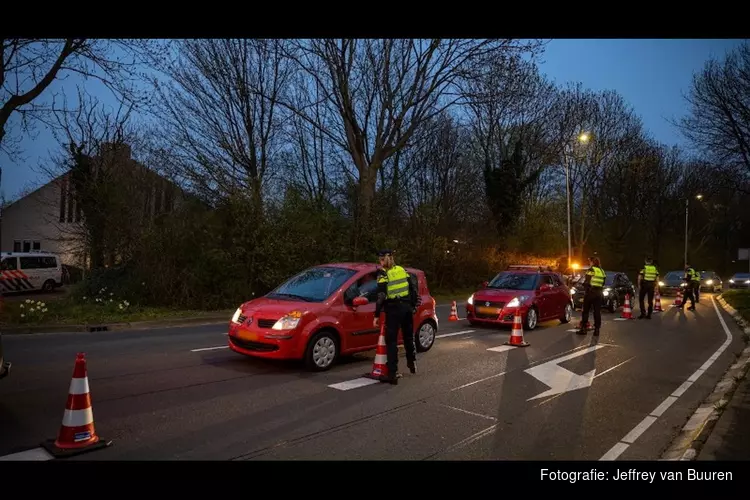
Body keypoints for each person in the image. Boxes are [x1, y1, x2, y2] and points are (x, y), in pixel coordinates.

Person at [373, 249, 419, 384]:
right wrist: (413, 306)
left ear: (382, 260)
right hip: (406, 308)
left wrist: (376, 315)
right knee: (408, 337)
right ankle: (412, 363)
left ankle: (392, 374)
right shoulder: (402, 270)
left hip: (393, 309)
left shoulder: (383, 274)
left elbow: (381, 297)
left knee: (391, 341)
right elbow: (413, 289)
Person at [577, 256, 605, 337]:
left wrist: (584, 286)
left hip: (590, 293)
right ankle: (597, 330)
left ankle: (583, 329)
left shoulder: (591, 270)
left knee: (585, 311)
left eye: (590, 262)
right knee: (597, 312)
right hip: (599, 293)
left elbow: (587, 281)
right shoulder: (602, 271)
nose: (589, 263)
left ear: (592, 262)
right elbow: (603, 283)